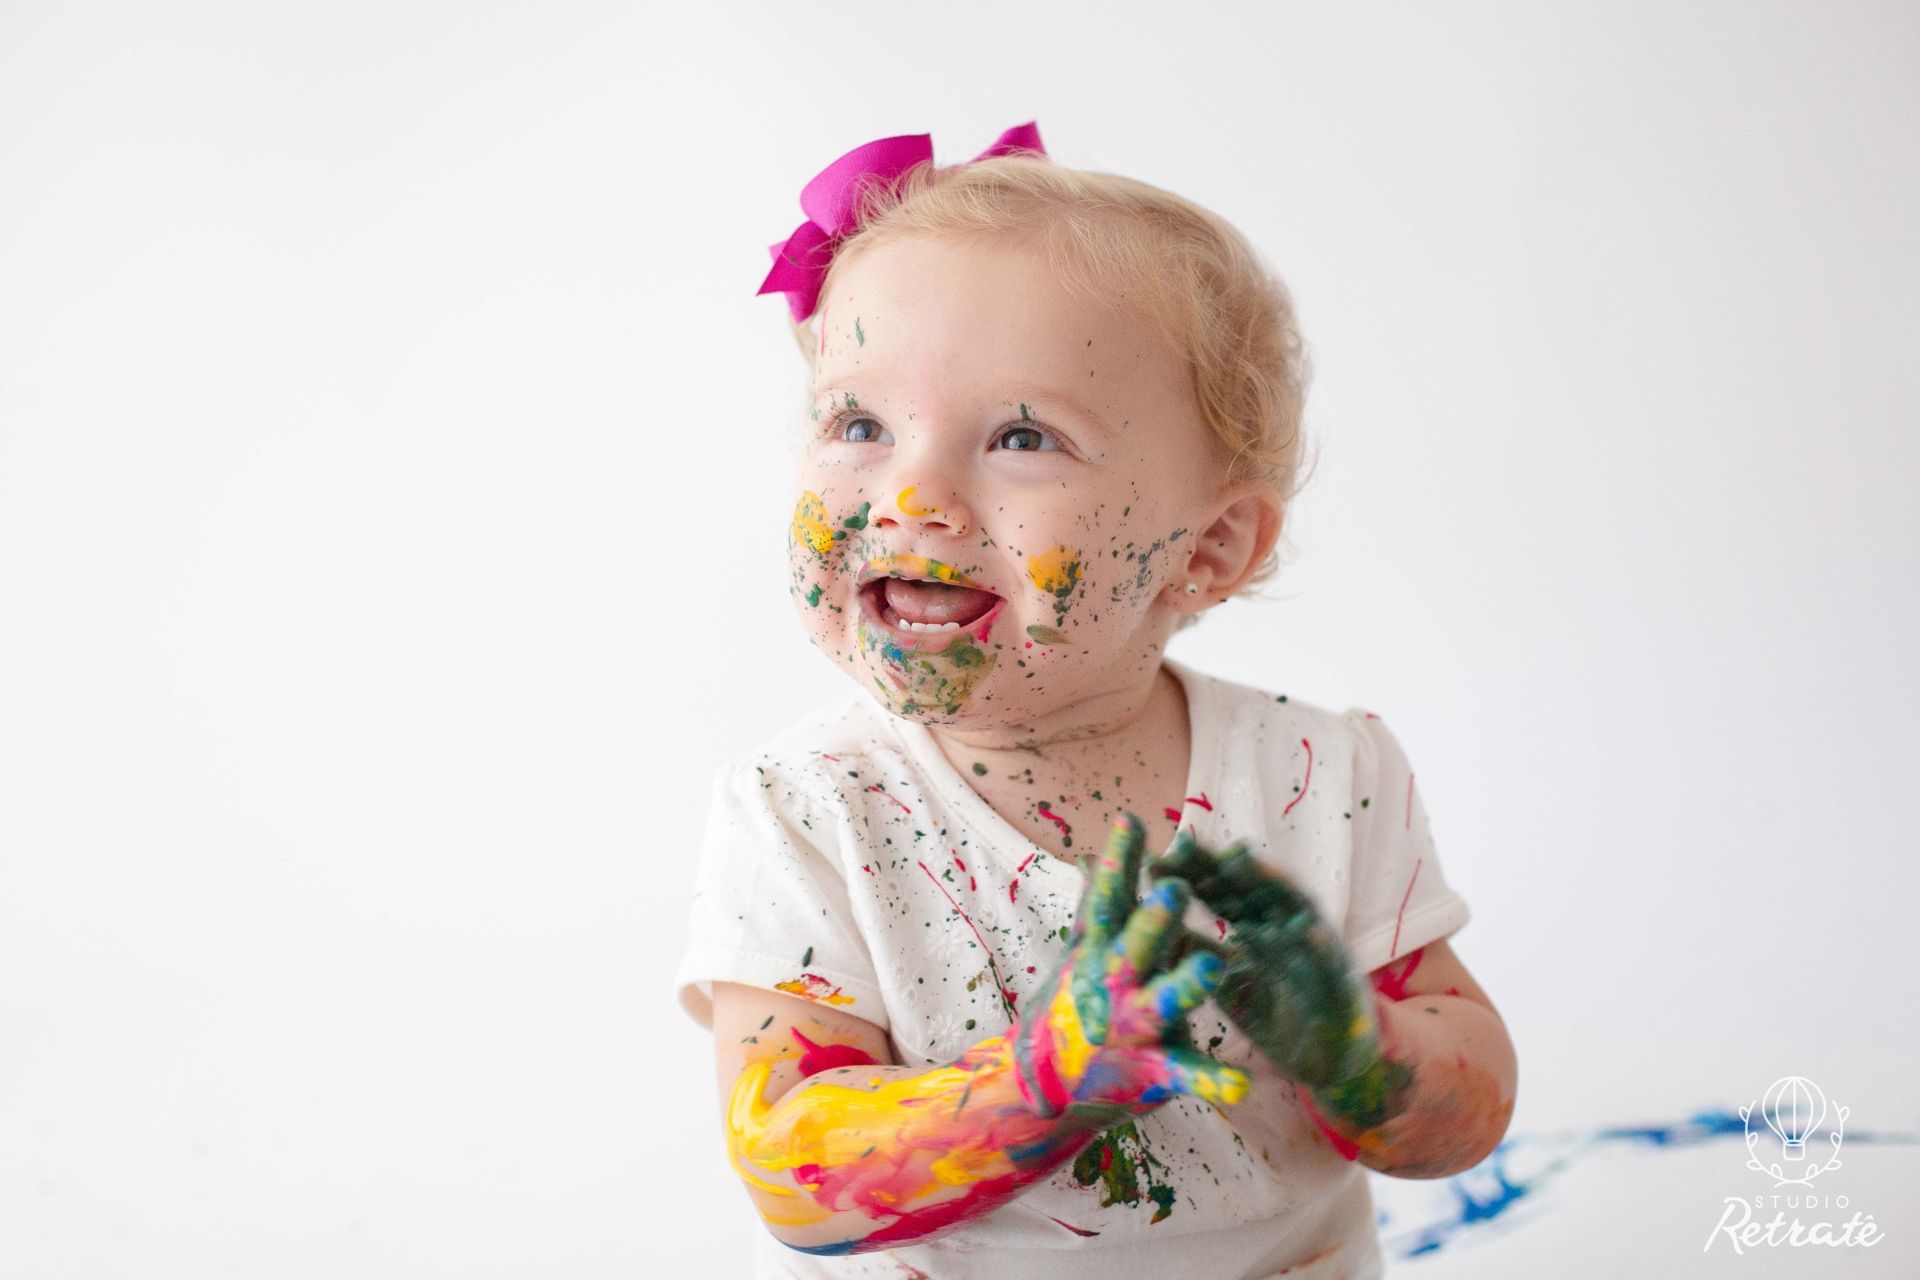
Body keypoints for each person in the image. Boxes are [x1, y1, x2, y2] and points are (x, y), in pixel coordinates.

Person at [672, 121, 1518, 1279]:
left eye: (1023, 435)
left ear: (1209, 546)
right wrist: (1037, 1087)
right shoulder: (808, 808)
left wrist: (1358, 1054)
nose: (913, 488)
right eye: (859, 422)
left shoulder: (1322, 776)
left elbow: (1469, 1111)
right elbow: (789, 1173)